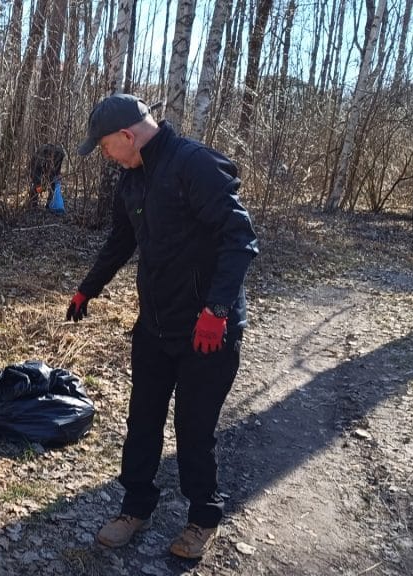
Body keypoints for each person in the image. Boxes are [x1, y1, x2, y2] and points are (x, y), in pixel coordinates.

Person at [65, 94, 259, 559]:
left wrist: (217, 311)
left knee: (194, 429)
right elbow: (120, 241)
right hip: (154, 325)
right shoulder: (132, 181)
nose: (106, 156)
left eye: (106, 146)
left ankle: (202, 518)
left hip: (206, 330)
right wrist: (87, 289)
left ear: (127, 136)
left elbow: (240, 240)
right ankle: (135, 507)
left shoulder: (195, 165)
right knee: (143, 421)